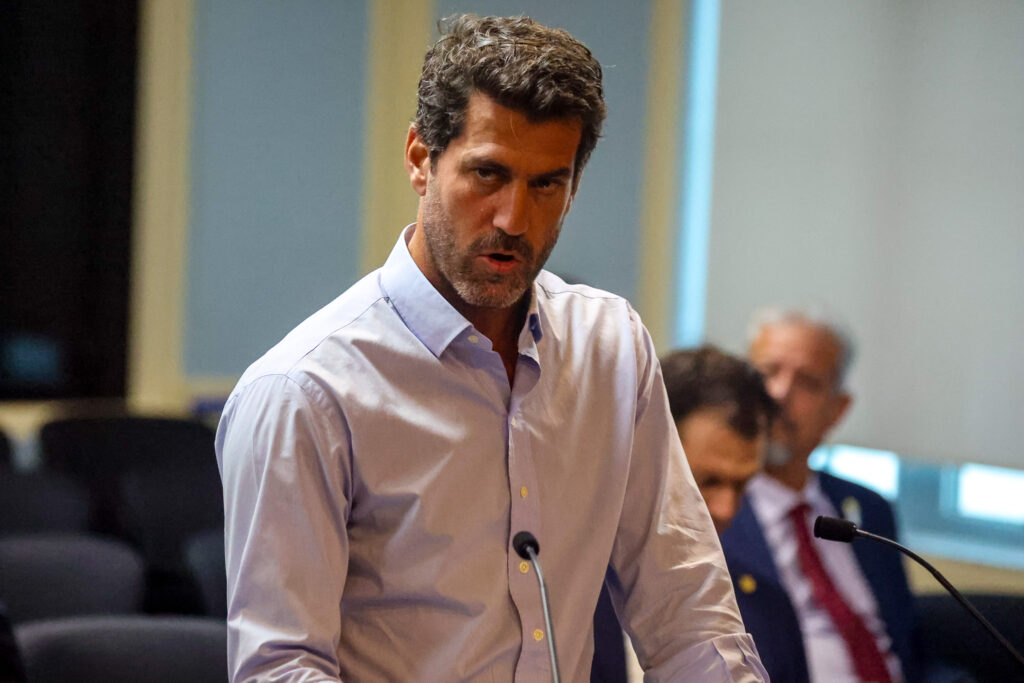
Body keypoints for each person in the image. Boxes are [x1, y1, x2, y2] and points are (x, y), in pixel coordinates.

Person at [217, 14, 766, 682]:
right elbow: (280, 668)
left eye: (546, 184)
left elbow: (688, 615)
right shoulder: (304, 392)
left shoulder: (609, 347)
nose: (514, 218)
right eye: (487, 174)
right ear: (420, 159)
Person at [720, 308, 921, 683]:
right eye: (767, 374)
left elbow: (913, 650)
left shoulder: (870, 509)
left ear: (837, 410)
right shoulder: (713, 511)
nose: (779, 394)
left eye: (808, 383)